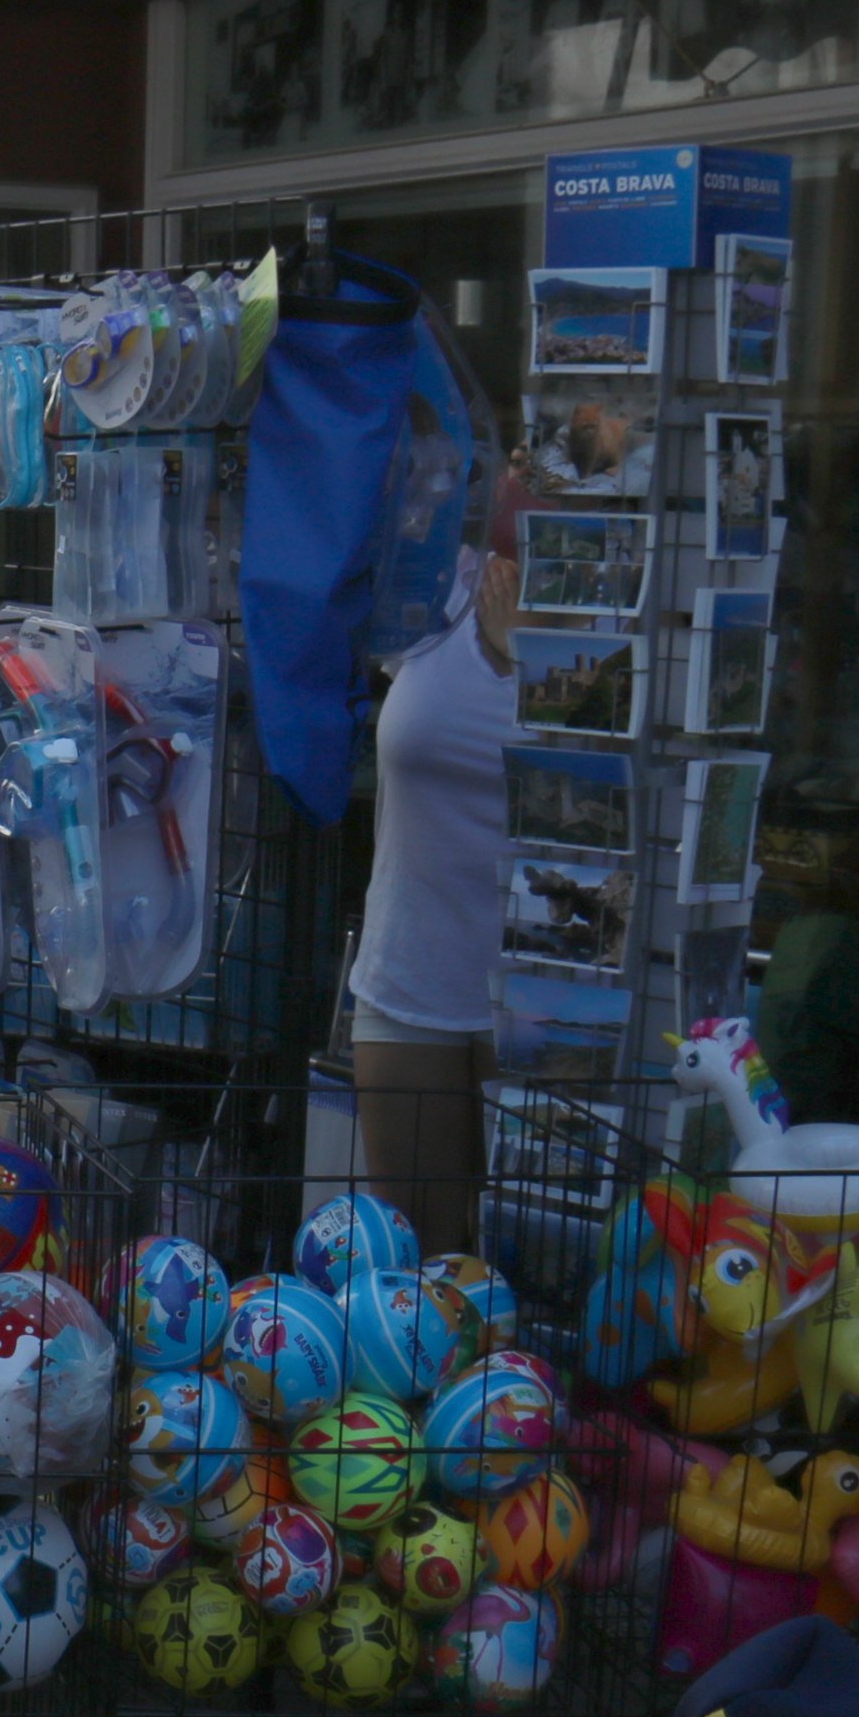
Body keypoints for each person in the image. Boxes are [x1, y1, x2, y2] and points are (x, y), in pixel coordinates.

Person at [346, 480, 532, 1255]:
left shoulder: (620, 627)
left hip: (540, 1004)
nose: (524, 467)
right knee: (418, 1279)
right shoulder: (440, 588)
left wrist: (526, 661)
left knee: (535, 1268)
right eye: (518, 450)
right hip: (409, 982)